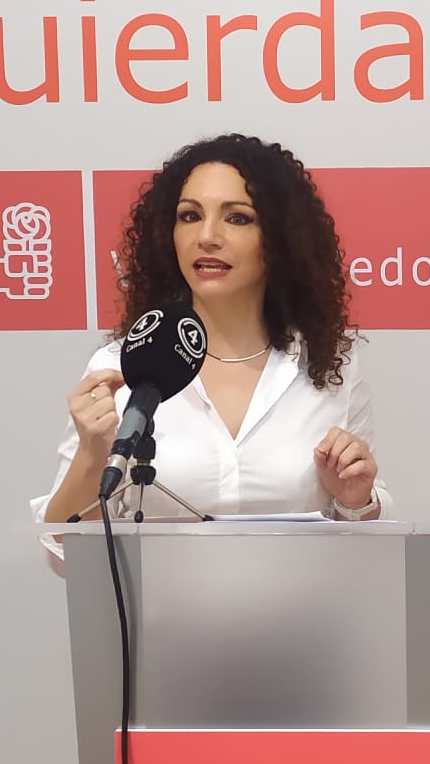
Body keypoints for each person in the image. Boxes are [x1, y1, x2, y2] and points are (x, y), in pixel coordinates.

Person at [32, 133, 389, 560]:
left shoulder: (331, 367)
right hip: (158, 606)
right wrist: (93, 455)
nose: (206, 236)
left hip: (305, 603)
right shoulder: (120, 367)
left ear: (279, 238)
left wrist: (356, 500)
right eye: (189, 216)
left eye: (237, 218)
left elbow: (369, 549)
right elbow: (63, 555)